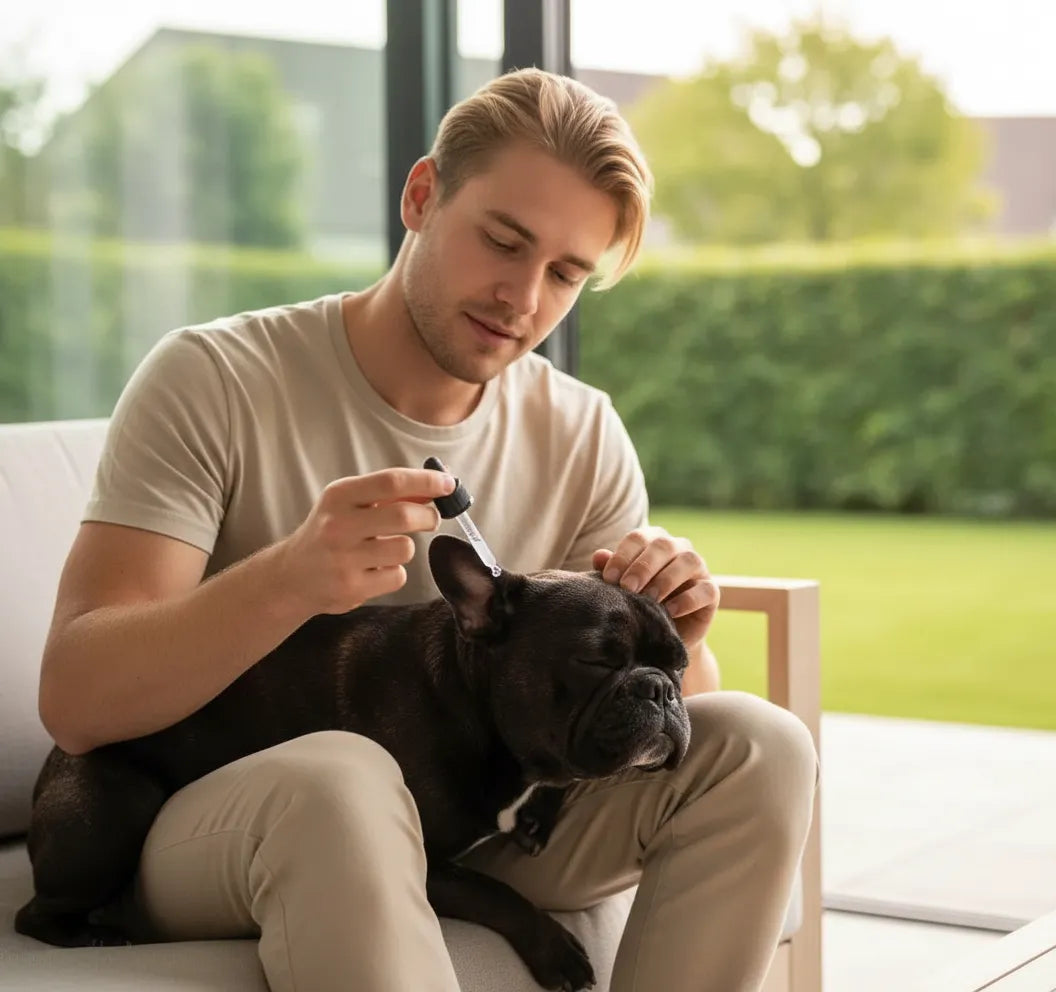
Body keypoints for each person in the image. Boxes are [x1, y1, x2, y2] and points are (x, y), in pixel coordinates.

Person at [36, 67, 817, 992]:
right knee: (344, 778)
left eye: (567, 273)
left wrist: (680, 632)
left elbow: (649, 718)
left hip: (486, 823)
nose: (524, 297)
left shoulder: (581, 427)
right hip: (218, 826)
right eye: (503, 241)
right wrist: (288, 580)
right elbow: (77, 700)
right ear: (420, 196)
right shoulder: (214, 378)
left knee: (764, 743)